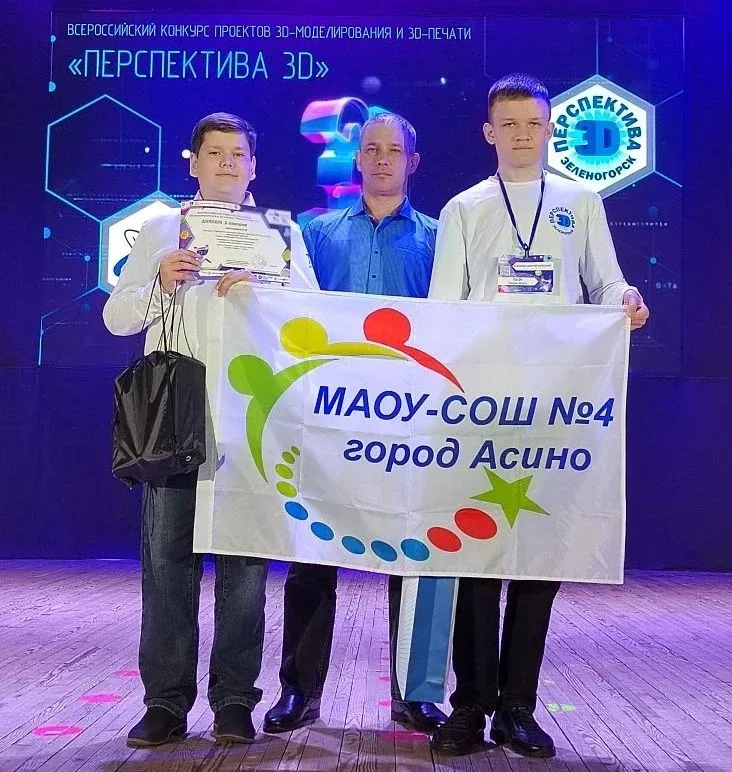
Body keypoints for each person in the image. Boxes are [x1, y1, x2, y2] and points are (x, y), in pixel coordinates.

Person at [427, 74, 649, 757]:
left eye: (533, 123)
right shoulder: (464, 209)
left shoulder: (581, 202)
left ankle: (517, 708)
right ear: (489, 133)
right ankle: (469, 705)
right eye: (510, 124)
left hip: (555, 404)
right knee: (473, 555)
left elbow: (604, 280)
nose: (522, 135)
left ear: (550, 130)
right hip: (479, 406)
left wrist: (625, 297)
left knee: (538, 555)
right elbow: (443, 306)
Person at [103, 112, 318, 748]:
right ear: (192, 163)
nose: (227, 163)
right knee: (167, 563)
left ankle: (234, 702)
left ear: (254, 166)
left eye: (238, 154)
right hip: (176, 416)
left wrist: (264, 294)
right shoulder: (162, 228)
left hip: (251, 418)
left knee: (245, 569)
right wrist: (158, 283)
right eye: (215, 153)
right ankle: (166, 703)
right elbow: (116, 318)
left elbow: (313, 317)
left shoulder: (280, 233)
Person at [263, 112, 447, 735]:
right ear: (357, 159)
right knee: (313, 552)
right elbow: (286, 312)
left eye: (395, 149)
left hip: (412, 421)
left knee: (416, 555)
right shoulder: (313, 233)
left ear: (412, 162)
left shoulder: (441, 238)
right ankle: (298, 690)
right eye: (372, 148)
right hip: (330, 418)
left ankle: (416, 694)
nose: (383, 158)